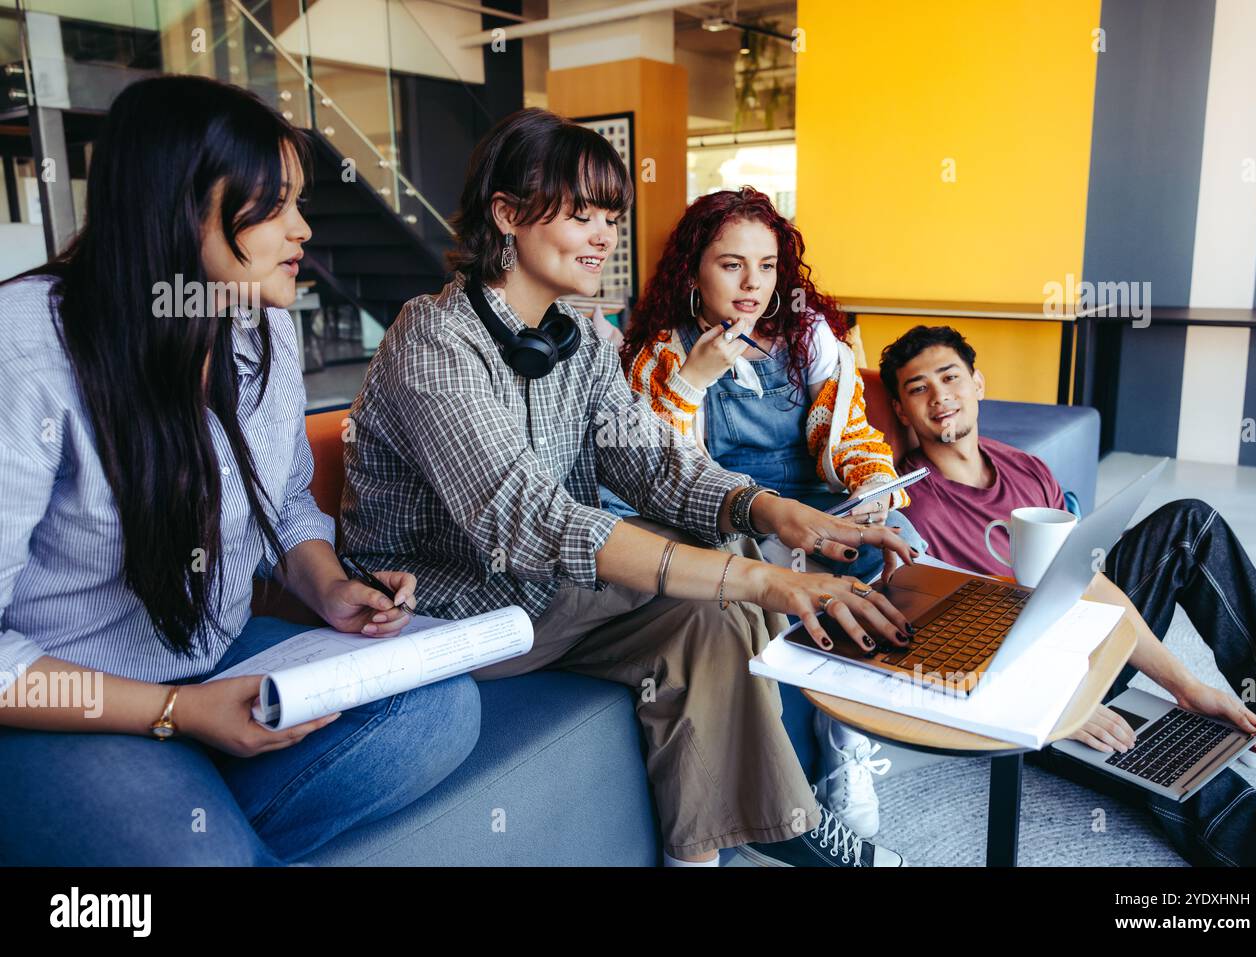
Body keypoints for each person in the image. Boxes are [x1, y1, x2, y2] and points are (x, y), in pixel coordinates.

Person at [340, 108, 921, 867]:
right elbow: (525, 519)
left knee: (713, 621)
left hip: (547, 598)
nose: (605, 235)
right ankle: (794, 820)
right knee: (734, 577)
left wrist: (785, 514)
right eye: (582, 213)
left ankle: (710, 851)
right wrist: (758, 572)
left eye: (611, 216)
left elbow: (654, 462)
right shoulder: (433, 338)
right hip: (457, 613)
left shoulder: (575, 337)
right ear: (508, 214)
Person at [0, 75, 481, 866]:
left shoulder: (261, 328)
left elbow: (286, 501)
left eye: (299, 202)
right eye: (274, 204)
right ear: (180, 206)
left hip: (219, 652)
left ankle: (180, 807)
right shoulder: (30, 349)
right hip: (68, 695)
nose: (302, 229)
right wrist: (174, 713)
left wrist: (329, 587)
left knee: (441, 709)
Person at [878, 323, 1256, 866]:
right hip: (1023, 689)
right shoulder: (908, 509)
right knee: (1170, 759)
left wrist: (1186, 686)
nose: (940, 397)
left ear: (978, 384)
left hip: (1079, 634)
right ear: (902, 409)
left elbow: (1092, 582)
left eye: (950, 377)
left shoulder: (1025, 468)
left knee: (1190, 522)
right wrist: (1067, 706)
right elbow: (939, 648)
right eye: (918, 388)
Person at [615, 186, 921, 839]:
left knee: (893, 540)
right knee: (833, 569)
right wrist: (693, 380)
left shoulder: (806, 338)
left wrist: (873, 493)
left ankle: (844, 743)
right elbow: (652, 470)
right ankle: (818, 760)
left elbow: (845, 436)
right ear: (693, 269)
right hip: (733, 521)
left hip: (815, 499)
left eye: (767, 264)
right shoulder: (663, 353)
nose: (753, 283)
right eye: (731, 264)